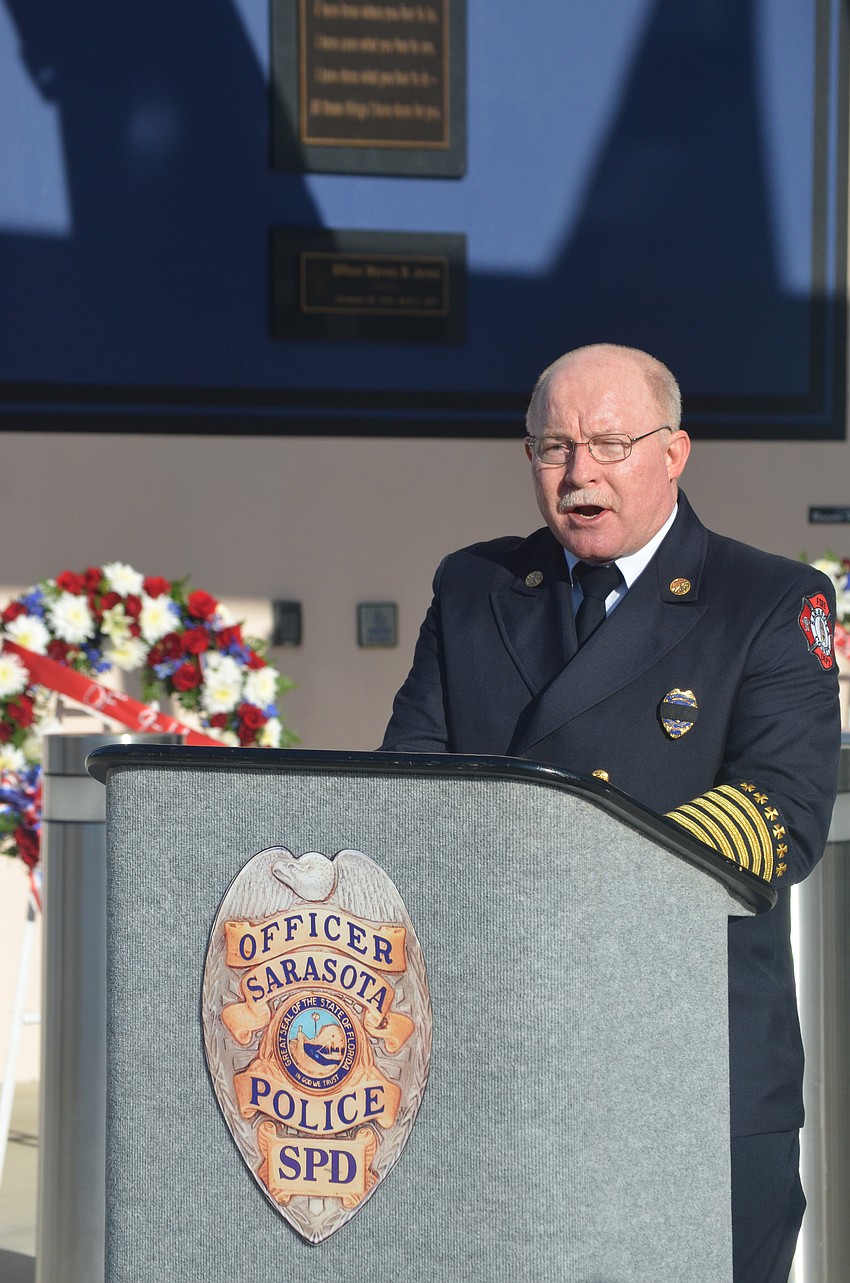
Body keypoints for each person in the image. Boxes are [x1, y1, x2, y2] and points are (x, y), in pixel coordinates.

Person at [381, 342, 842, 1282]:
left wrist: (568, 858)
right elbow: (409, 787)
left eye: (608, 443)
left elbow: (782, 812)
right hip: (498, 1046)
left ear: (674, 454)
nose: (579, 472)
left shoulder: (767, 600)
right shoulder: (474, 588)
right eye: (553, 447)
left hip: (684, 1064)